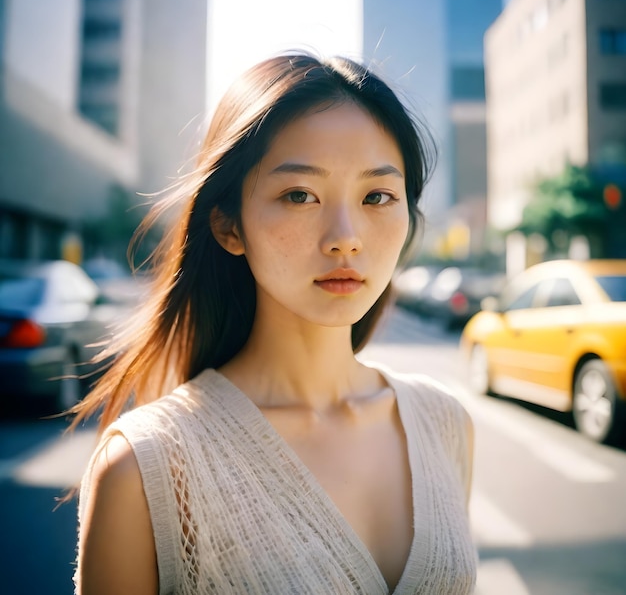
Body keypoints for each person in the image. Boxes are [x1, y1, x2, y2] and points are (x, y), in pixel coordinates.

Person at [72, 51, 477, 594]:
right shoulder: (149, 467)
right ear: (228, 226)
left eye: (377, 196)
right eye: (299, 195)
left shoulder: (444, 423)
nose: (345, 236)